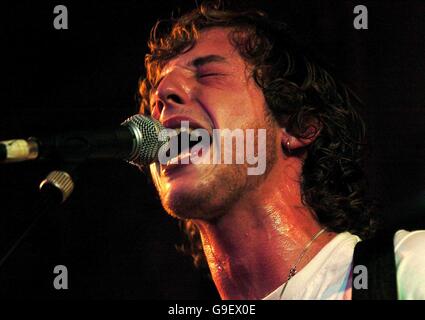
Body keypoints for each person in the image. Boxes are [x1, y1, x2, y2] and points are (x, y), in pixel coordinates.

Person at [137, 2, 425, 299]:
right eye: (157, 100)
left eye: (209, 74)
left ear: (298, 126)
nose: (163, 96)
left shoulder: (410, 268)